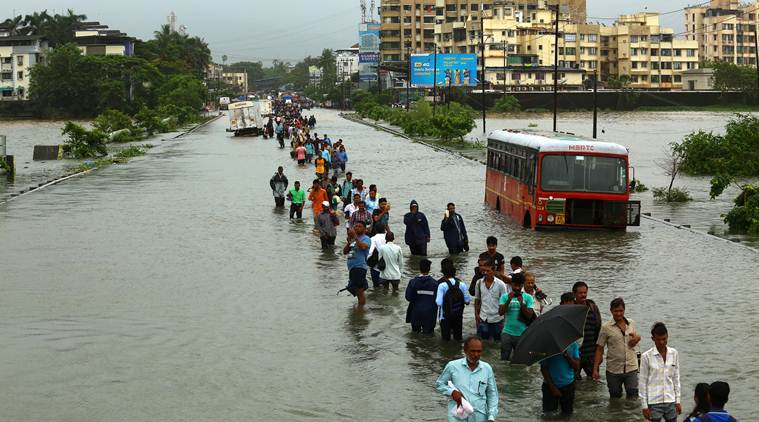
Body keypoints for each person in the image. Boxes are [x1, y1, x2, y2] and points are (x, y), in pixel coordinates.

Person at [435, 336, 499, 422]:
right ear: (465, 350)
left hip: (479, 416)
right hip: (458, 416)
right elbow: (439, 384)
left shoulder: (487, 369)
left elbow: (492, 394)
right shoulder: (452, 366)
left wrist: (491, 416)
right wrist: (452, 392)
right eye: (472, 351)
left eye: (479, 351)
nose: (476, 355)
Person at [592, 297, 641, 399]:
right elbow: (599, 348)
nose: (618, 314)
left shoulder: (631, 323)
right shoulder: (606, 327)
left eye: (621, 311)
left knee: (633, 397)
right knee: (615, 398)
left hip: (631, 367)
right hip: (613, 369)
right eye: (616, 311)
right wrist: (595, 369)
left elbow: (634, 341)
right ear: (611, 311)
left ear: (624, 310)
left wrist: (637, 338)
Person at [540, 293, 581, 415]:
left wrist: (566, 355)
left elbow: (576, 366)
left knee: (567, 415)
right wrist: (553, 388)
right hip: (550, 386)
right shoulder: (547, 342)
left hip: (568, 385)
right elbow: (544, 368)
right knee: (548, 415)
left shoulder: (573, 343)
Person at [639, 322, 681, 422]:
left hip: (670, 400)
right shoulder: (646, 356)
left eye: (664, 339)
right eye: (658, 339)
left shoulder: (674, 353)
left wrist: (678, 401)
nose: (662, 342)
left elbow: (676, 378)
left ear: (667, 337)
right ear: (653, 339)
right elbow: (642, 382)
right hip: (654, 402)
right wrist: (644, 406)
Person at [498, 272, 535, 361]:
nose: (517, 288)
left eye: (519, 285)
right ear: (511, 284)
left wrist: (522, 303)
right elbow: (500, 312)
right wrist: (508, 300)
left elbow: (529, 316)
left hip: (522, 334)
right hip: (507, 333)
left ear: (522, 285)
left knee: (521, 361)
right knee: (504, 360)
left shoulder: (528, 297)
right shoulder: (505, 296)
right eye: (515, 285)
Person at [435, 258, 471, 341]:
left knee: (445, 341)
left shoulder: (441, 285)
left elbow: (439, 302)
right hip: (458, 315)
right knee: (458, 339)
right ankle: (458, 353)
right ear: (455, 272)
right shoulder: (462, 284)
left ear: (443, 273)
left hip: (445, 317)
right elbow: (467, 301)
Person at [473, 258, 508, 342]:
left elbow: (505, 302)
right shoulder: (479, 283)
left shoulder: (501, 285)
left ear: (493, 270)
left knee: (497, 342)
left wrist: (505, 320)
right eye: (484, 271)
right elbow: (477, 300)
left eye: (488, 271)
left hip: (497, 319)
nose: (485, 273)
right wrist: (476, 316)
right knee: (484, 342)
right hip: (483, 318)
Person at [574, 281, 602, 378]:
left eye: (585, 292)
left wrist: (600, 354)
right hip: (575, 354)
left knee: (594, 382)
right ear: (575, 294)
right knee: (575, 383)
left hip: (591, 353)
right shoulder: (570, 309)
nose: (583, 295)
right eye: (580, 293)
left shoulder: (593, 308)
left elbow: (599, 331)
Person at [405, 259, 439, 334]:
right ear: (429, 269)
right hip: (430, 314)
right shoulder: (435, 284)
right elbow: (438, 300)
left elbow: (408, 297)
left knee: (415, 335)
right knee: (428, 337)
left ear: (419, 268)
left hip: (416, 313)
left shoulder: (413, 282)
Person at [342, 221, 371, 306]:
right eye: (355, 226)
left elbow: (363, 247)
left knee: (359, 291)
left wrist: (355, 237)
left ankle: (361, 311)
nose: (357, 228)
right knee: (355, 289)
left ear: (365, 229)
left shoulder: (366, 238)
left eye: (359, 226)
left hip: (359, 267)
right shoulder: (353, 240)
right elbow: (345, 252)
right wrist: (349, 242)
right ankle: (360, 309)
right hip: (352, 268)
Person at [367, 224, 387, 289]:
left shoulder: (373, 239)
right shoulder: (388, 237)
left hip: (376, 266)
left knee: (376, 287)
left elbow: (370, 252)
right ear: (384, 229)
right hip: (387, 266)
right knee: (386, 287)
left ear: (375, 230)